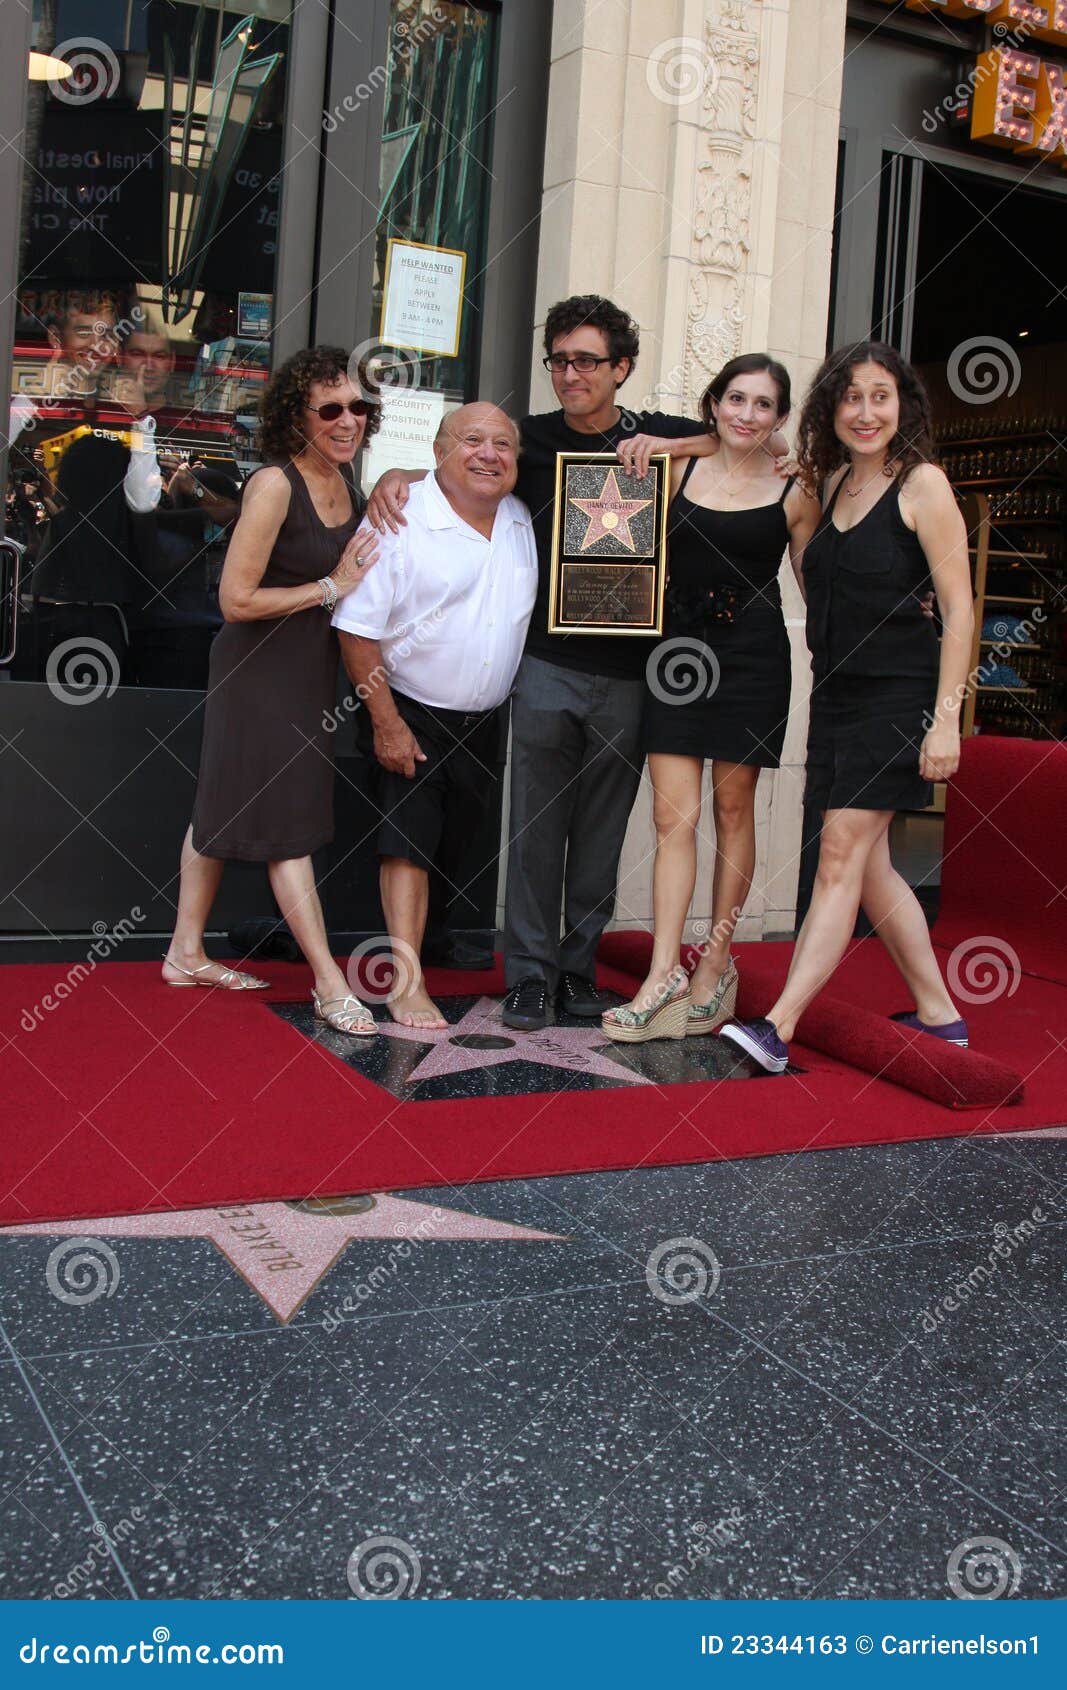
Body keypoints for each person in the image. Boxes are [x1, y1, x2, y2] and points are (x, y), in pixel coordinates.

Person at [366, 295, 722, 1032]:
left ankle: (576, 971)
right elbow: (458, 463)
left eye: (587, 360)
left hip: (631, 673)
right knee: (534, 829)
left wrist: (667, 450)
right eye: (559, 360)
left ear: (621, 367)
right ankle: (527, 977)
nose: (570, 374)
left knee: (601, 832)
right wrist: (392, 474)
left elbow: (742, 440)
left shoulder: (656, 432)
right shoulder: (525, 440)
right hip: (544, 666)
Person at [721, 342, 974, 1074]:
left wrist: (947, 718)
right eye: (850, 398)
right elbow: (741, 444)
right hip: (835, 693)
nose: (866, 413)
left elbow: (958, 609)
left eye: (880, 396)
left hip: (900, 696)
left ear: (903, 406)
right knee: (868, 867)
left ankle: (778, 1027)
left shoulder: (922, 484)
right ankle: (938, 1012)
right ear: (830, 410)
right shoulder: (826, 486)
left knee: (837, 852)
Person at [602, 355, 822, 1043]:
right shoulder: (676, 471)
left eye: (762, 405)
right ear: (714, 403)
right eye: (735, 399)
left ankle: (715, 965)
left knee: (732, 811)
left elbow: (819, 586)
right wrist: (669, 444)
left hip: (753, 660)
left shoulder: (795, 488)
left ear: (780, 417)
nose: (746, 415)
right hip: (674, 657)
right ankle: (662, 970)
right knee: (673, 818)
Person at [162, 346, 381, 1033]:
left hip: (308, 670)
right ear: (296, 415)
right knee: (288, 826)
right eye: (332, 409)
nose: (349, 420)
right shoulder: (274, 486)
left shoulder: (350, 480)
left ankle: (183, 950)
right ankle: (328, 982)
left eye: (359, 408)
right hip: (258, 672)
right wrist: (330, 588)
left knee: (220, 804)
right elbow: (234, 599)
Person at [335, 403, 537, 1029]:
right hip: (411, 708)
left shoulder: (522, 517)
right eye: (471, 440)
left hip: (485, 719)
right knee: (408, 848)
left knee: (452, 846)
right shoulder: (398, 520)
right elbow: (356, 630)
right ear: (439, 449)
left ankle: (431, 945)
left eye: (503, 443)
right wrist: (386, 723)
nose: (489, 454)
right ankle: (405, 983)